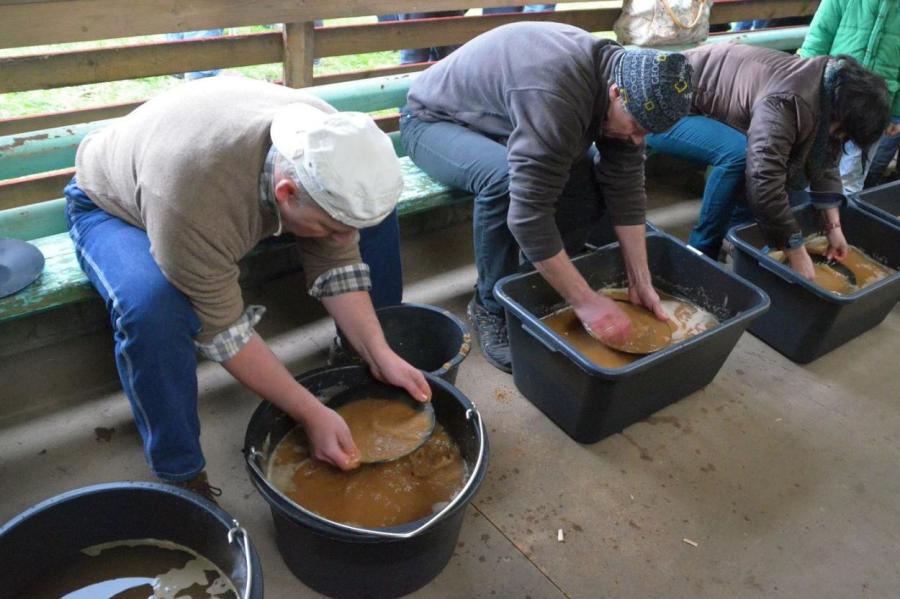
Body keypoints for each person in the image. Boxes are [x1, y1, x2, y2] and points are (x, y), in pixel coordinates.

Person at [66, 76, 430, 500]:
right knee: (154, 310)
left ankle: (363, 363)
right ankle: (180, 475)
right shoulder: (192, 199)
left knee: (372, 225)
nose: (338, 236)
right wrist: (309, 411)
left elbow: (337, 256)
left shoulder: (335, 141)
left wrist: (378, 351)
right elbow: (223, 328)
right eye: (330, 227)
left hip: (219, 179)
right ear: (287, 192)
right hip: (114, 205)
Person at [401, 22, 693, 372]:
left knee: (587, 171)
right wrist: (585, 301)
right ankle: (489, 305)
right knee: (504, 180)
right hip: (433, 122)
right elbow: (528, 216)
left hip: (506, 120)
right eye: (638, 127)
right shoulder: (557, 93)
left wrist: (640, 280)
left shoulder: (628, 87)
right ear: (616, 93)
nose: (637, 140)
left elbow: (626, 186)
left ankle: (537, 282)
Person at [647, 44, 890, 270]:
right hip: (662, 103)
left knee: (783, 188)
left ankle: (735, 241)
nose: (841, 138)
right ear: (843, 114)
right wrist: (795, 250)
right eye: (844, 132)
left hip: (706, 105)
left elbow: (825, 160)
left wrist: (833, 227)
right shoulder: (789, 100)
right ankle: (700, 252)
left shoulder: (831, 89)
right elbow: (763, 177)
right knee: (741, 154)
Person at [798, 0, 900, 196]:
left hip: (875, 109)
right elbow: (818, 38)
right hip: (832, 97)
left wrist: (896, 113)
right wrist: (805, 89)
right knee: (812, 160)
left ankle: (841, 218)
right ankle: (805, 215)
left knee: (853, 171)